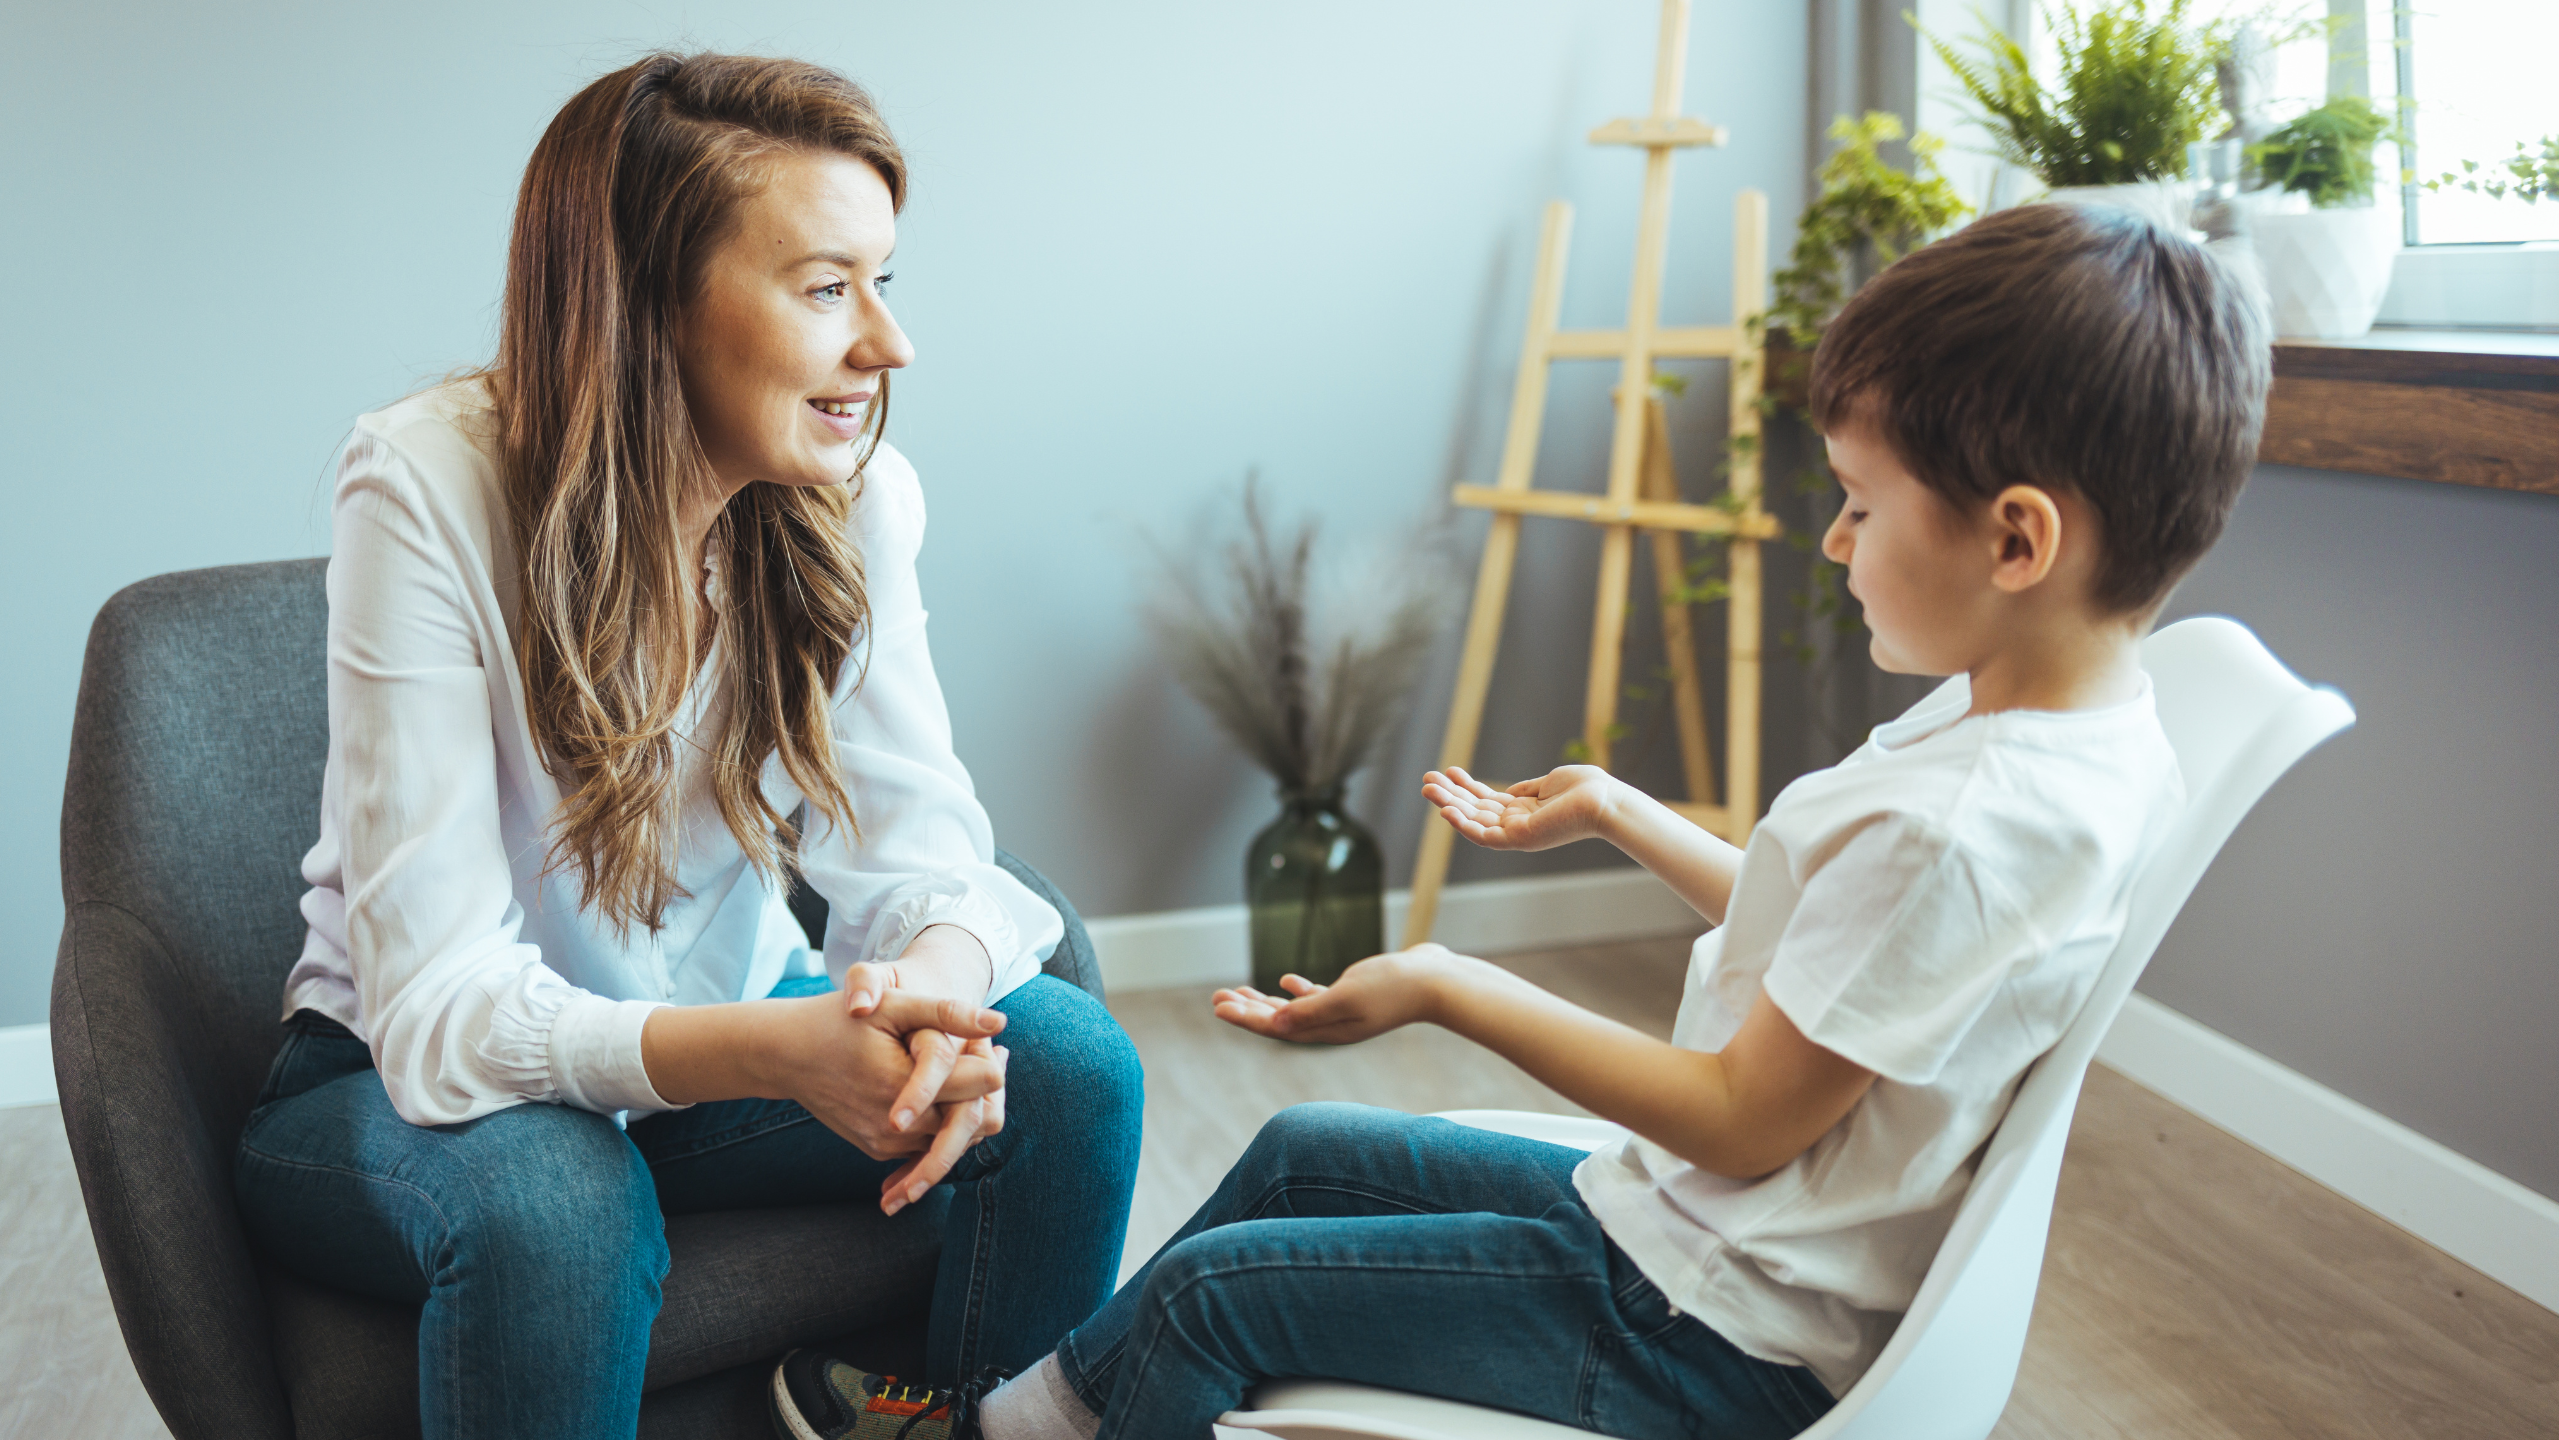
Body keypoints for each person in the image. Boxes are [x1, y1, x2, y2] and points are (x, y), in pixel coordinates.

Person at [928, 200, 2272, 1440]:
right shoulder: (2055, 728)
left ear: (2017, 541)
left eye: (1860, 505)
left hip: (1706, 1330)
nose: (1834, 539)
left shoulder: (1971, 822)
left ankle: (1009, 1428)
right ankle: (1023, 1422)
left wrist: (1452, 985)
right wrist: (1623, 812)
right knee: (1300, 1158)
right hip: (1697, 1247)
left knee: (1207, 1298)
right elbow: (1837, 937)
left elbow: (1741, 1116)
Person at [229, 53, 1142, 1440]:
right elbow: (440, 1011)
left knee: (1066, 1066)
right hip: (401, 1092)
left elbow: (927, 856)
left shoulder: (851, 497)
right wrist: (780, 1052)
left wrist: (930, 999)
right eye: (828, 288)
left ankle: (939, 1421)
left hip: (713, 1054)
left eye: (886, 281)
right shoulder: (426, 483)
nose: (888, 345)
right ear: (646, 303)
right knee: (555, 1198)